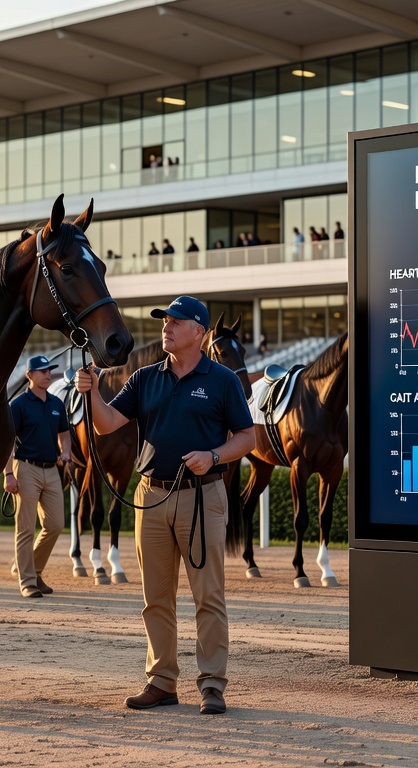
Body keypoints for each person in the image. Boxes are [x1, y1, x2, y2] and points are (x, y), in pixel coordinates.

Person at [75, 295, 255, 715]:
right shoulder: (143, 378)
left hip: (203, 497)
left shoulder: (223, 380)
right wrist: (94, 392)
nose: (167, 327)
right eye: (165, 321)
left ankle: (212, 684)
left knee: (208, 596)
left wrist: (213, 456)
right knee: (155, 598)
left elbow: (247, 438)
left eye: (176, 321)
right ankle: (161, 682)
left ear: (199, 332)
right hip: (150, 496)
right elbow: (105, 425)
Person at [6, 355, 72, 598]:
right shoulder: (19, 405)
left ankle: (34, 570)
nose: (48, 374)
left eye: (49, 370)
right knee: (25, 529)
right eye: (42, 371)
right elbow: (8, 442)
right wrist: (8, 474)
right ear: (29, 375)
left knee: (56, 524)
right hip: (26, 469)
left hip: (51, 469)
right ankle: (28, 582)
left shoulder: (56, 403)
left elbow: (64, 433)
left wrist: (65, 452)